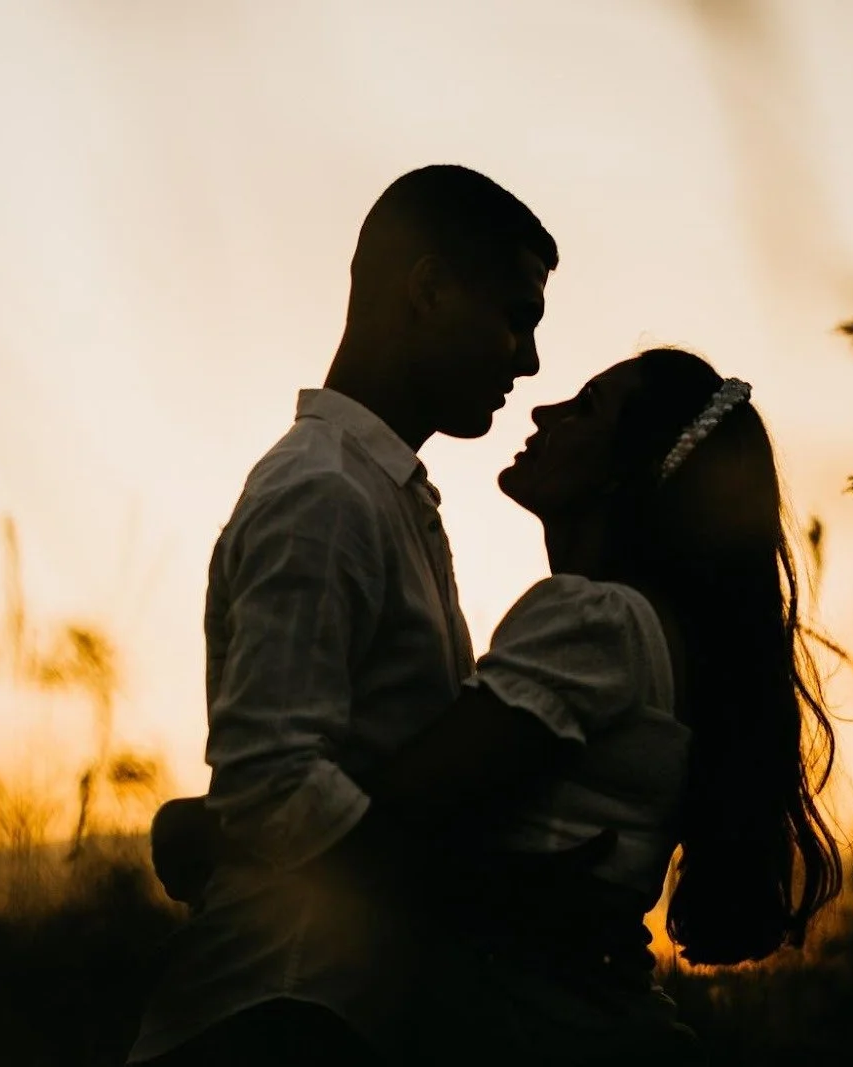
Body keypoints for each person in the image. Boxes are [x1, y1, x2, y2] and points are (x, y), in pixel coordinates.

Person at [151, 348, 846, 1065]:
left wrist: (209, 827)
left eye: (584, 407)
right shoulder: (656, 636)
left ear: (623, 469)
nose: (543, 410)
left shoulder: (595, 621)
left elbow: (401, 816)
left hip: (538, 1031)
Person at [125, 164, 557, 1067]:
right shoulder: (323, 493)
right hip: (275, 1014)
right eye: (517, 317)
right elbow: (275, 778)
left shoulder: (378, 493)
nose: (529, 360)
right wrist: (474, 897)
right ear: (430, 289)